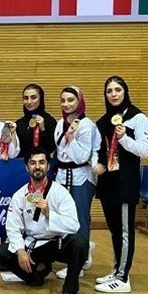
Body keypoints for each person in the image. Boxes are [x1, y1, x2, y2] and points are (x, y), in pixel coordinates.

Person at [0, 147, 87, 294]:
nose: (37, 166)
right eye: (33, 163)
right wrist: (20, 250)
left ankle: (70, 289)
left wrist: (49, 213)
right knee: (0, 253)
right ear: (27, 167)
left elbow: (74, 225)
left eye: (42, 162)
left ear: (48, 166)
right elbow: (13, 226)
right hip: (34, 245)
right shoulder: (19, 195)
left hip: (56, 244)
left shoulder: (60, 192)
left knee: (80, 242)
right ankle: (35, 276)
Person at [92, 76, 148, 293]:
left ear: (125, 91)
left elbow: (145, 151)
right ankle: (117, 269)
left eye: (117, 89)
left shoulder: (138, 118)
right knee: (115, 230)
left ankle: (123, 278)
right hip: (108, 182)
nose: (113, 94)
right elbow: (99, 149)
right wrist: (97, 165)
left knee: (125, 230)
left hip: (126, 182)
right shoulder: (103, 121)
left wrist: (125, 137)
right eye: (109, 91)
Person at [53, 86, 101, 280]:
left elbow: (81, 156)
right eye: (63, 100)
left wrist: (71, 137)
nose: (66, 104)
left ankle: (77, 265)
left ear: (80, 101)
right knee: (63, 218)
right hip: (62, 176)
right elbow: (59, 151)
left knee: (80, 219)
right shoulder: (60, 123)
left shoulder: (87, 125)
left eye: (71, 100)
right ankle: (79, 252)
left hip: (81, 176)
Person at [15, 83, 57, 159]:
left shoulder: (50, 121)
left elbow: (51, 149)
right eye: (26, 98)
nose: (29, 102)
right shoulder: (19, 123)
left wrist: (43, 130)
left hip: (43, 164)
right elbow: (15, 152)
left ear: (41, 99)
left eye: (33, 97)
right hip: (21, 164)